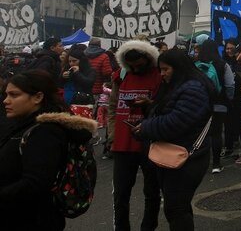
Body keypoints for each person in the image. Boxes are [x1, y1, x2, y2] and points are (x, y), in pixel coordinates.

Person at [0, 70, 98, 230]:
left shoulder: (45, 132)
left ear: (38, 97)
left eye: (14, 95)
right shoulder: (24, 124)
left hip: (31, 219)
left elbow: (35, 183)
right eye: (6, 95)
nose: (6, 100)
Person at [136, 49, 215, 231]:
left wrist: (146, 127)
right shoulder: (180, 84)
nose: (162, 74)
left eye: (166, 69)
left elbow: (176, 122)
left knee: (176, 208)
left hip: (187, 158)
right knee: (178, 207)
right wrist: (150, 106)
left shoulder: (194, 88)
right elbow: (169, 111)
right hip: (177, 153)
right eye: (160, 70)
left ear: (178, 67)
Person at [109, 39, 163, 231]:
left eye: (139, 66)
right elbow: (113, 107)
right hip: (123, 144)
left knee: (152, 190)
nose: (136, 69)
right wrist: (111, 135)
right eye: (132, 66)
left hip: (149, 142)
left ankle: (148, 227)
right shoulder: (121, 76)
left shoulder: (159, 76)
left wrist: (148, 104)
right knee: (121, 193)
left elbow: (164, 109)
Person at [196, 39, 235, 173]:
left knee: (201, 133)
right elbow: (230, 84)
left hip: (200, 104)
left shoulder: (196, 64)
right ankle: (216, 164)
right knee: (217, 133)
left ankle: (200, 162)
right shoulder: (222, 64)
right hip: (219, 103)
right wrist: (228, 99)